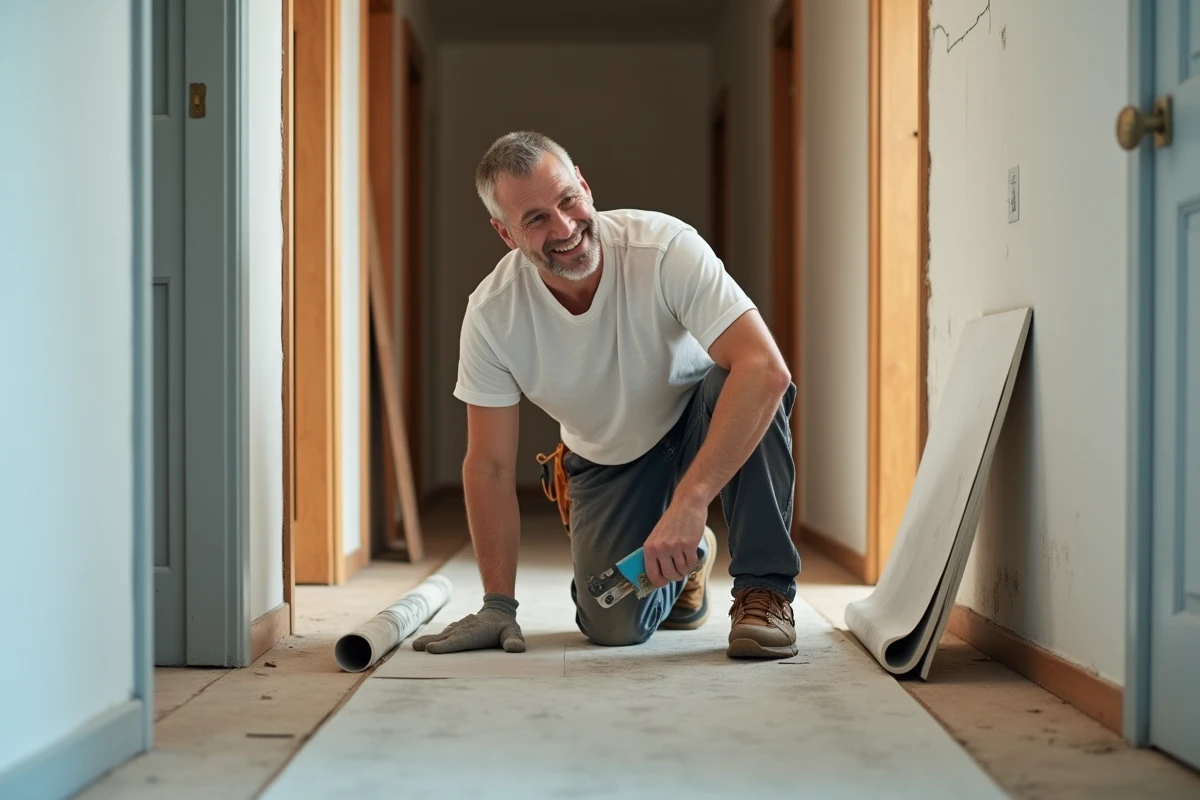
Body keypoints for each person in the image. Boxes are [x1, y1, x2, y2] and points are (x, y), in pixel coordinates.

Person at [412, 131, 801, 660]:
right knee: (612, 623)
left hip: (696, 422)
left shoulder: (663, 247)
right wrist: (498, 604)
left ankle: (765, 591)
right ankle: (691, 562)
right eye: (536, 219)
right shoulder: (492, 316)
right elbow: (490, 467)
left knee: (746, 382)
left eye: (568, 200)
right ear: (506, 234)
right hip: (607, 459)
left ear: (586, 188)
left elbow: (765, 368)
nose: (565, 228)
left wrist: (691, 501)